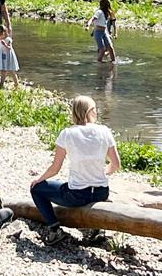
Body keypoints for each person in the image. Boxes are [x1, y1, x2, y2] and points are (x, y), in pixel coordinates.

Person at [28, 94, 120, 230]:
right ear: (89, 111)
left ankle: (53, 227)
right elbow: (116, 164)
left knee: (36, 189)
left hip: (77, 196)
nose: (97, 111)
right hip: (101, 193)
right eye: (95, 108)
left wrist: (38, 179)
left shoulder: (67, 134)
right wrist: (103, 173)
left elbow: (55, 168)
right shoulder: (104, 131)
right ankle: (94, 231)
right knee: (63, 184)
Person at [90, 0, 117, 64]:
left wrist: (115, 33)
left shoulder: (109, 12)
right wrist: (88, 25)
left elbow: (114, 23)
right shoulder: (99, 12)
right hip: (98, 32)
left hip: (105, 32)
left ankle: (114, 62)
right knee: (102, 50)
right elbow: (93, 19)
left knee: (110, 47)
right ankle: (99, 63)